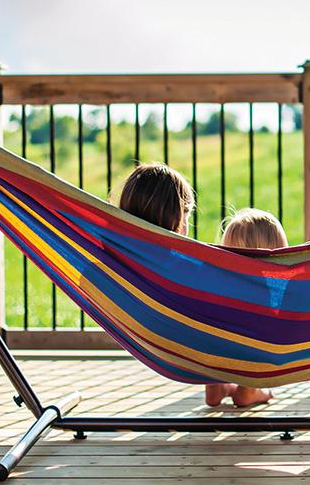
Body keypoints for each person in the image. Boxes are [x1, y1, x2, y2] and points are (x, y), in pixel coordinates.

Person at [114, 163, 272, 408]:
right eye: (186, 217)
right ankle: (246, 389)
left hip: (168, 347)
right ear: (175, 218)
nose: (187, 227)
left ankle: (217, 384)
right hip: (205, 347)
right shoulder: (185, 265)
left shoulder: (116, 262)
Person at [221, 208, 310, 416]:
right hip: (279, 357)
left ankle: (222, 387)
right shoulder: (283, 289)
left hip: (231, 357)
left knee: (220, 335)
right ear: (280, 250)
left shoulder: (220, 289)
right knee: (307, 346)